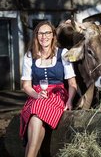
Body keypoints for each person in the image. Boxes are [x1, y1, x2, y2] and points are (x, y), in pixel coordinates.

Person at [19, 21, 77, 157]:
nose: (43, 36)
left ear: (53, 36)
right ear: (36, 36)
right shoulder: (29, 56)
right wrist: (36, 95)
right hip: (36, 95)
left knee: (37, 110)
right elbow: (26, 85)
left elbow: (72, 83)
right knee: (35, 114)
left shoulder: (63, 54)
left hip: (57, 95)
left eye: (47, 33)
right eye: (40, 33)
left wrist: (69, 101)